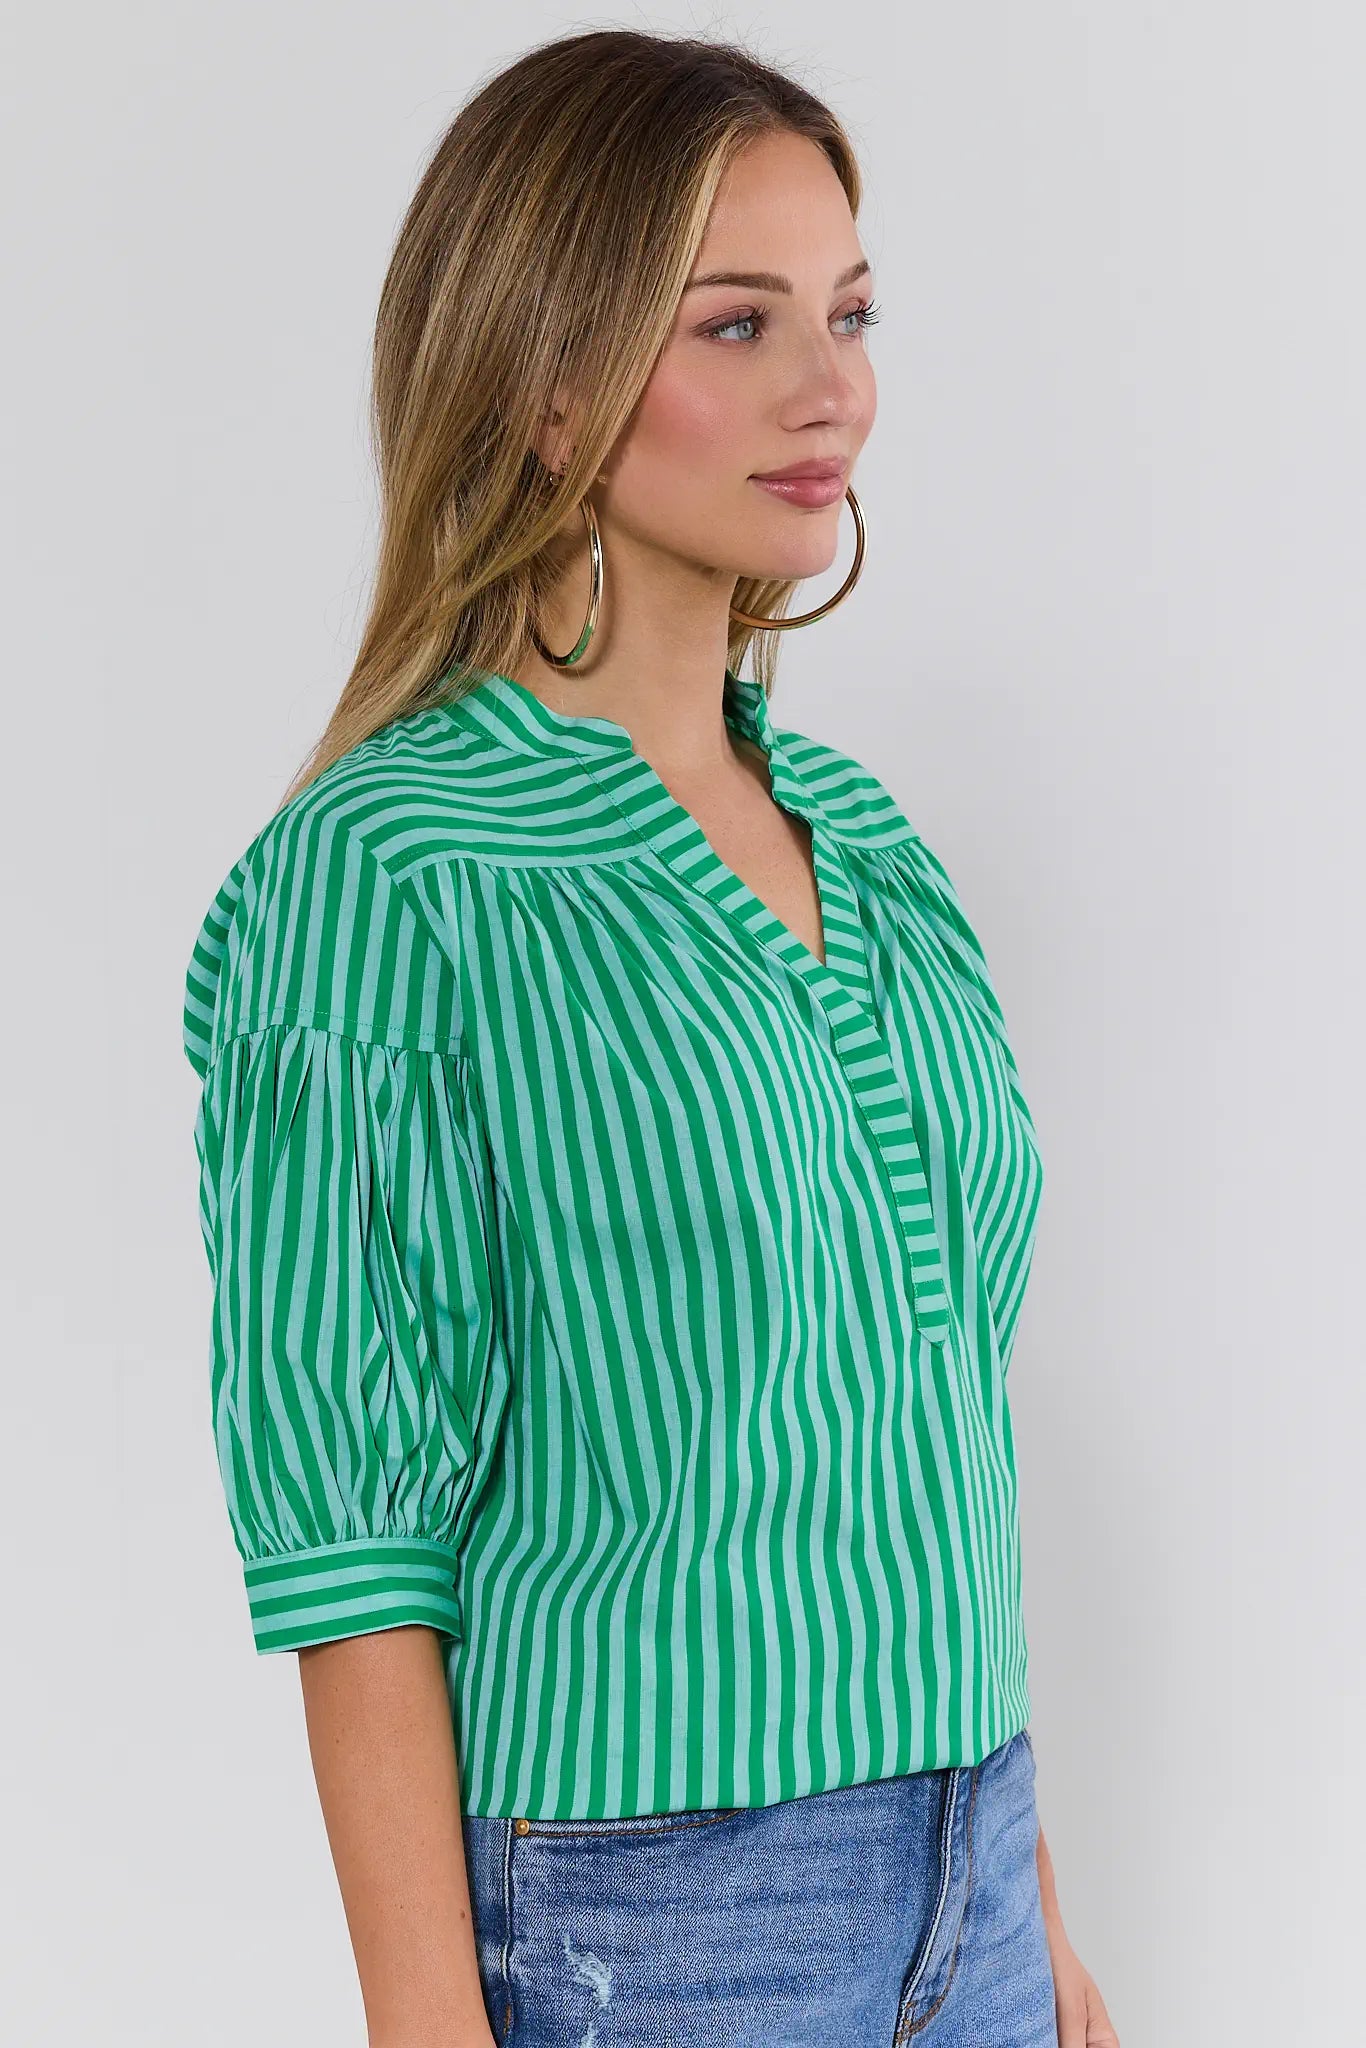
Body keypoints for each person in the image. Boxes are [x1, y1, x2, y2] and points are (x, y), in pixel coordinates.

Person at [182, 27, 1120, 2048]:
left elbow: (933, 1405)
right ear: (541, 378)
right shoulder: (390, 869)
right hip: (661, 1914)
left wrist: (1030, 1921)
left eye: (848, 313)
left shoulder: (867, 843)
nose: (831, 386)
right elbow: (354, 1541)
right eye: (739, 320)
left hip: (972, 1853)